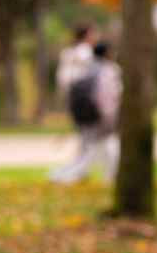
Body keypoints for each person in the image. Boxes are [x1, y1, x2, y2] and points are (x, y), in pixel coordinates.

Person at [49, 40, 122, 184]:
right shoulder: (109, 70)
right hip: (99, 117)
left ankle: (108, 178)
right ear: (108, 53)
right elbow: (107, 96)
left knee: (92, 151)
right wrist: (109, 118)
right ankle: (62, 177)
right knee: (96, 151)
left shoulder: (86, 69)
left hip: (84, 116)